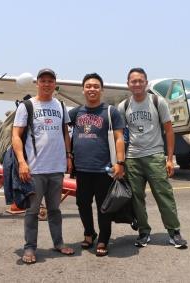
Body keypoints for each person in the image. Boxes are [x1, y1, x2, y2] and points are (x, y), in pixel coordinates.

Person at [118, 67, 187, 249]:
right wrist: (120, 162)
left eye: (141, 80)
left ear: (146, 83)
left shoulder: (158, 102)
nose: (137, 84)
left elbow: (169, 130)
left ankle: (174, 232)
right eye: (134, 81)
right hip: (133, 158)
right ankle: (143, 232)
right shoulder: (123, 106)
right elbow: (120, 137)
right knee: (136, 198)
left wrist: (170, 158)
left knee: (164, 195)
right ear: (128, 85)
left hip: (155, 156)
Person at [12, 68, 74, 264]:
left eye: (50, 81)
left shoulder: (61, 106)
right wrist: (22, 162)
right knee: (32, 211)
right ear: (37, 83)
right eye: (43, 80)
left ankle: (58, 242)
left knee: (55, 209)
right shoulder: (27, 106)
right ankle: (30, 247)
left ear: (55, 84)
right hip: (34, 169)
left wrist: (68, 156)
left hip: (56, 168)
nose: (47, 84)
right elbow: (16, 135)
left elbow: (65, 132)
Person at [69, 73, 125, 257]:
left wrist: (120, 162)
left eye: (95, 86)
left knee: (103, 206)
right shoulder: (75, 113)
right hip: (82, 169)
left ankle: (103, 238)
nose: (92, 89)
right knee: (82, 204)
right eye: (88, 86)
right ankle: (89, 233)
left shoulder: (111, 112)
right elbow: (58, 128)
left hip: (104, 169)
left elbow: (119, 138)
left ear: (102, 89)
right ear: (83, 90)